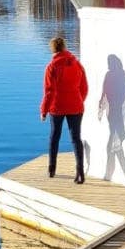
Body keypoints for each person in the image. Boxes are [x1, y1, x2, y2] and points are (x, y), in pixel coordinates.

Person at [40, 36, 88, 184]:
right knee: (76, 138)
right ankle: (80, 172)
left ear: (53, 49)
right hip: (76, 106)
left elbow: (49, 91)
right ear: (65, 47)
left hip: (57, 106)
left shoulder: (51, 67)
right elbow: (84, 86)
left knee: (54, 137)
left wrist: (44, 110)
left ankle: (51, 169)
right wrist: (79, 100)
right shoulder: (77, 64)